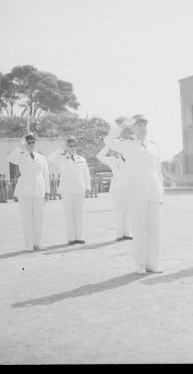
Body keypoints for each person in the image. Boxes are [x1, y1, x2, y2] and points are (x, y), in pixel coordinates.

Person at [104, 114, 164, 274]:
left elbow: (158, 171)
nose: (143, 129)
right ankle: (140, 265)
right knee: (139, 229)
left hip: (153, 191)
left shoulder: (154, 146)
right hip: (137, 192)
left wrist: (161, 193)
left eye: (145, 125)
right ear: (132, 129)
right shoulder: (127, 144)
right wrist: (121, 127)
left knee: (154, 229)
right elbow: (108, 142)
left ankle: (153, 264)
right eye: (139, 126)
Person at [7, 134, 50, 251]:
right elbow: (9, 158)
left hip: (39, 191)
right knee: (27, 219)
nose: (31, 145)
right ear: (26, 144)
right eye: (29, 143)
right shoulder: (20, 156)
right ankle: (29, 245)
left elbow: (45, 175)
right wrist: (21, 147)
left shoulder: (42, 158)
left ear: (35, 143)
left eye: (33, 142)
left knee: (39, 218)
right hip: (24, 191)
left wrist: (47, 191)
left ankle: (38, 243)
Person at [49, 137, 91, 245]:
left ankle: (80, 237)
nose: (72, 148)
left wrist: (87, 188)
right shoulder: (61, 158)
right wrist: (62, 149)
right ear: (67, 147)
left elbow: (86, 175)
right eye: (70, 146)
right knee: (69, 215)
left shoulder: (82, 159)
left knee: (79, 214)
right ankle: (71, 238)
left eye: (74, 146)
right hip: (67, 190)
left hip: (79, 190)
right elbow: (51, 158)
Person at [96, 144, 133, 241]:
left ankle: (127, 233)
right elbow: (99, 156)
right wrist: (108, 146)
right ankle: (119, 234)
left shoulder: (130, 159)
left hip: (129, 188)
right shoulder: (112, 159)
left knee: (128, 212)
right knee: (119, 212)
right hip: (117, 189)